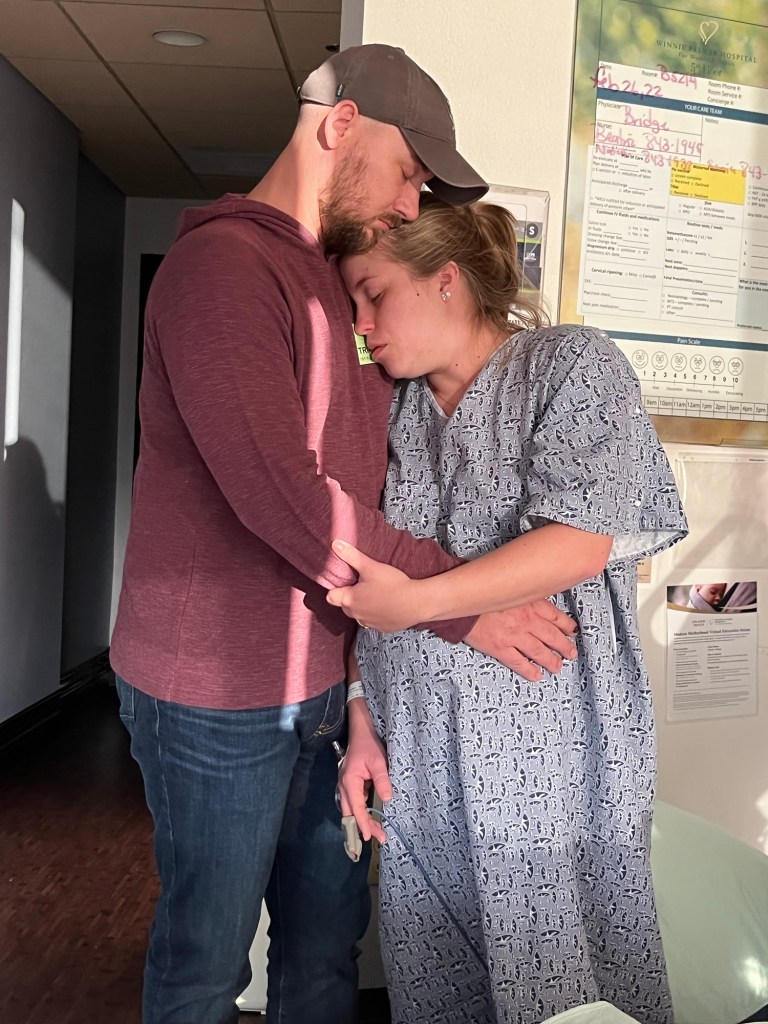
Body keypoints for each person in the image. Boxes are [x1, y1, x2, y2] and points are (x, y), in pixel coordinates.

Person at [110, 45, 579, 1024]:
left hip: (323, 691)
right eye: (408, 172)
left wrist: (360, 691)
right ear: (341, 123)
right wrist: (465, 607)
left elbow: (376, 483)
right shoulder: (222, 270)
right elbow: (286, 498)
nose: (411, 204)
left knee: (325, 949)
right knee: (206, 965)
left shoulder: (343, 281)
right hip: (212, 697)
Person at [328, 195, 689, 1024]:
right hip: (419, 759)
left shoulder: (570, 366)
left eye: (374, 295)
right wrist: (360, 711)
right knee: (437, 987)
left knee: (562, 990)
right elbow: (360, 578)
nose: (362, 326)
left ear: (445, 280)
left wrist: (420, 603)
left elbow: (579, 541)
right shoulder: (391, 410)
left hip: (550, 767)